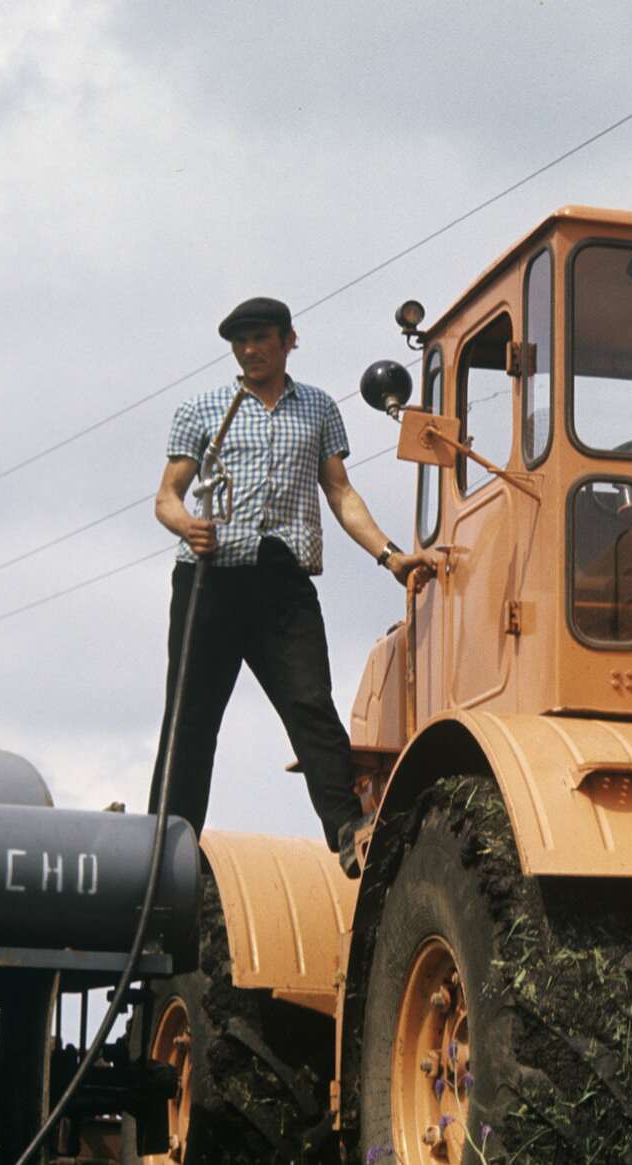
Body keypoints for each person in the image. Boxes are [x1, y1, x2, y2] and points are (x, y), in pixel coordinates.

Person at [149, 296, 424, 876]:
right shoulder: (203, 409)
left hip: (283, 581)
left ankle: (349, 829)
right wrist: (188, 526)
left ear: (288, 341)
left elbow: (341, 493)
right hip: (211, 580)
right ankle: (166, 845)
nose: (249, 350)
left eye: (260, 339)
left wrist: (390, 555)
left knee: (310, 704)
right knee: (192, 716)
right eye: (239, 341)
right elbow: (167, 497)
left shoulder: (319, 409)